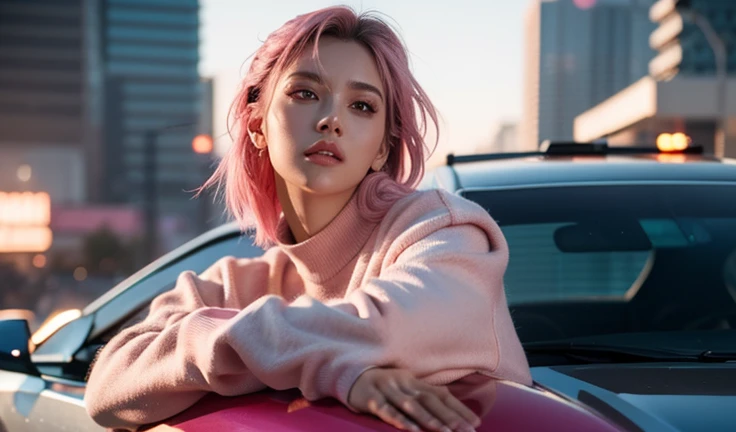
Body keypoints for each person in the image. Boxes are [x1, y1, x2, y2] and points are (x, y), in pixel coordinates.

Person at [84, 6, 532, 432]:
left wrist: (276, 353)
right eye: (305, 93)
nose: (331, 120)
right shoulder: (239, 285)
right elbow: (107, 384)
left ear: (381, 148)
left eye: (362, 106)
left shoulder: (441, 229)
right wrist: (337, 369)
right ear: (256, 123)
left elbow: (383, 333)